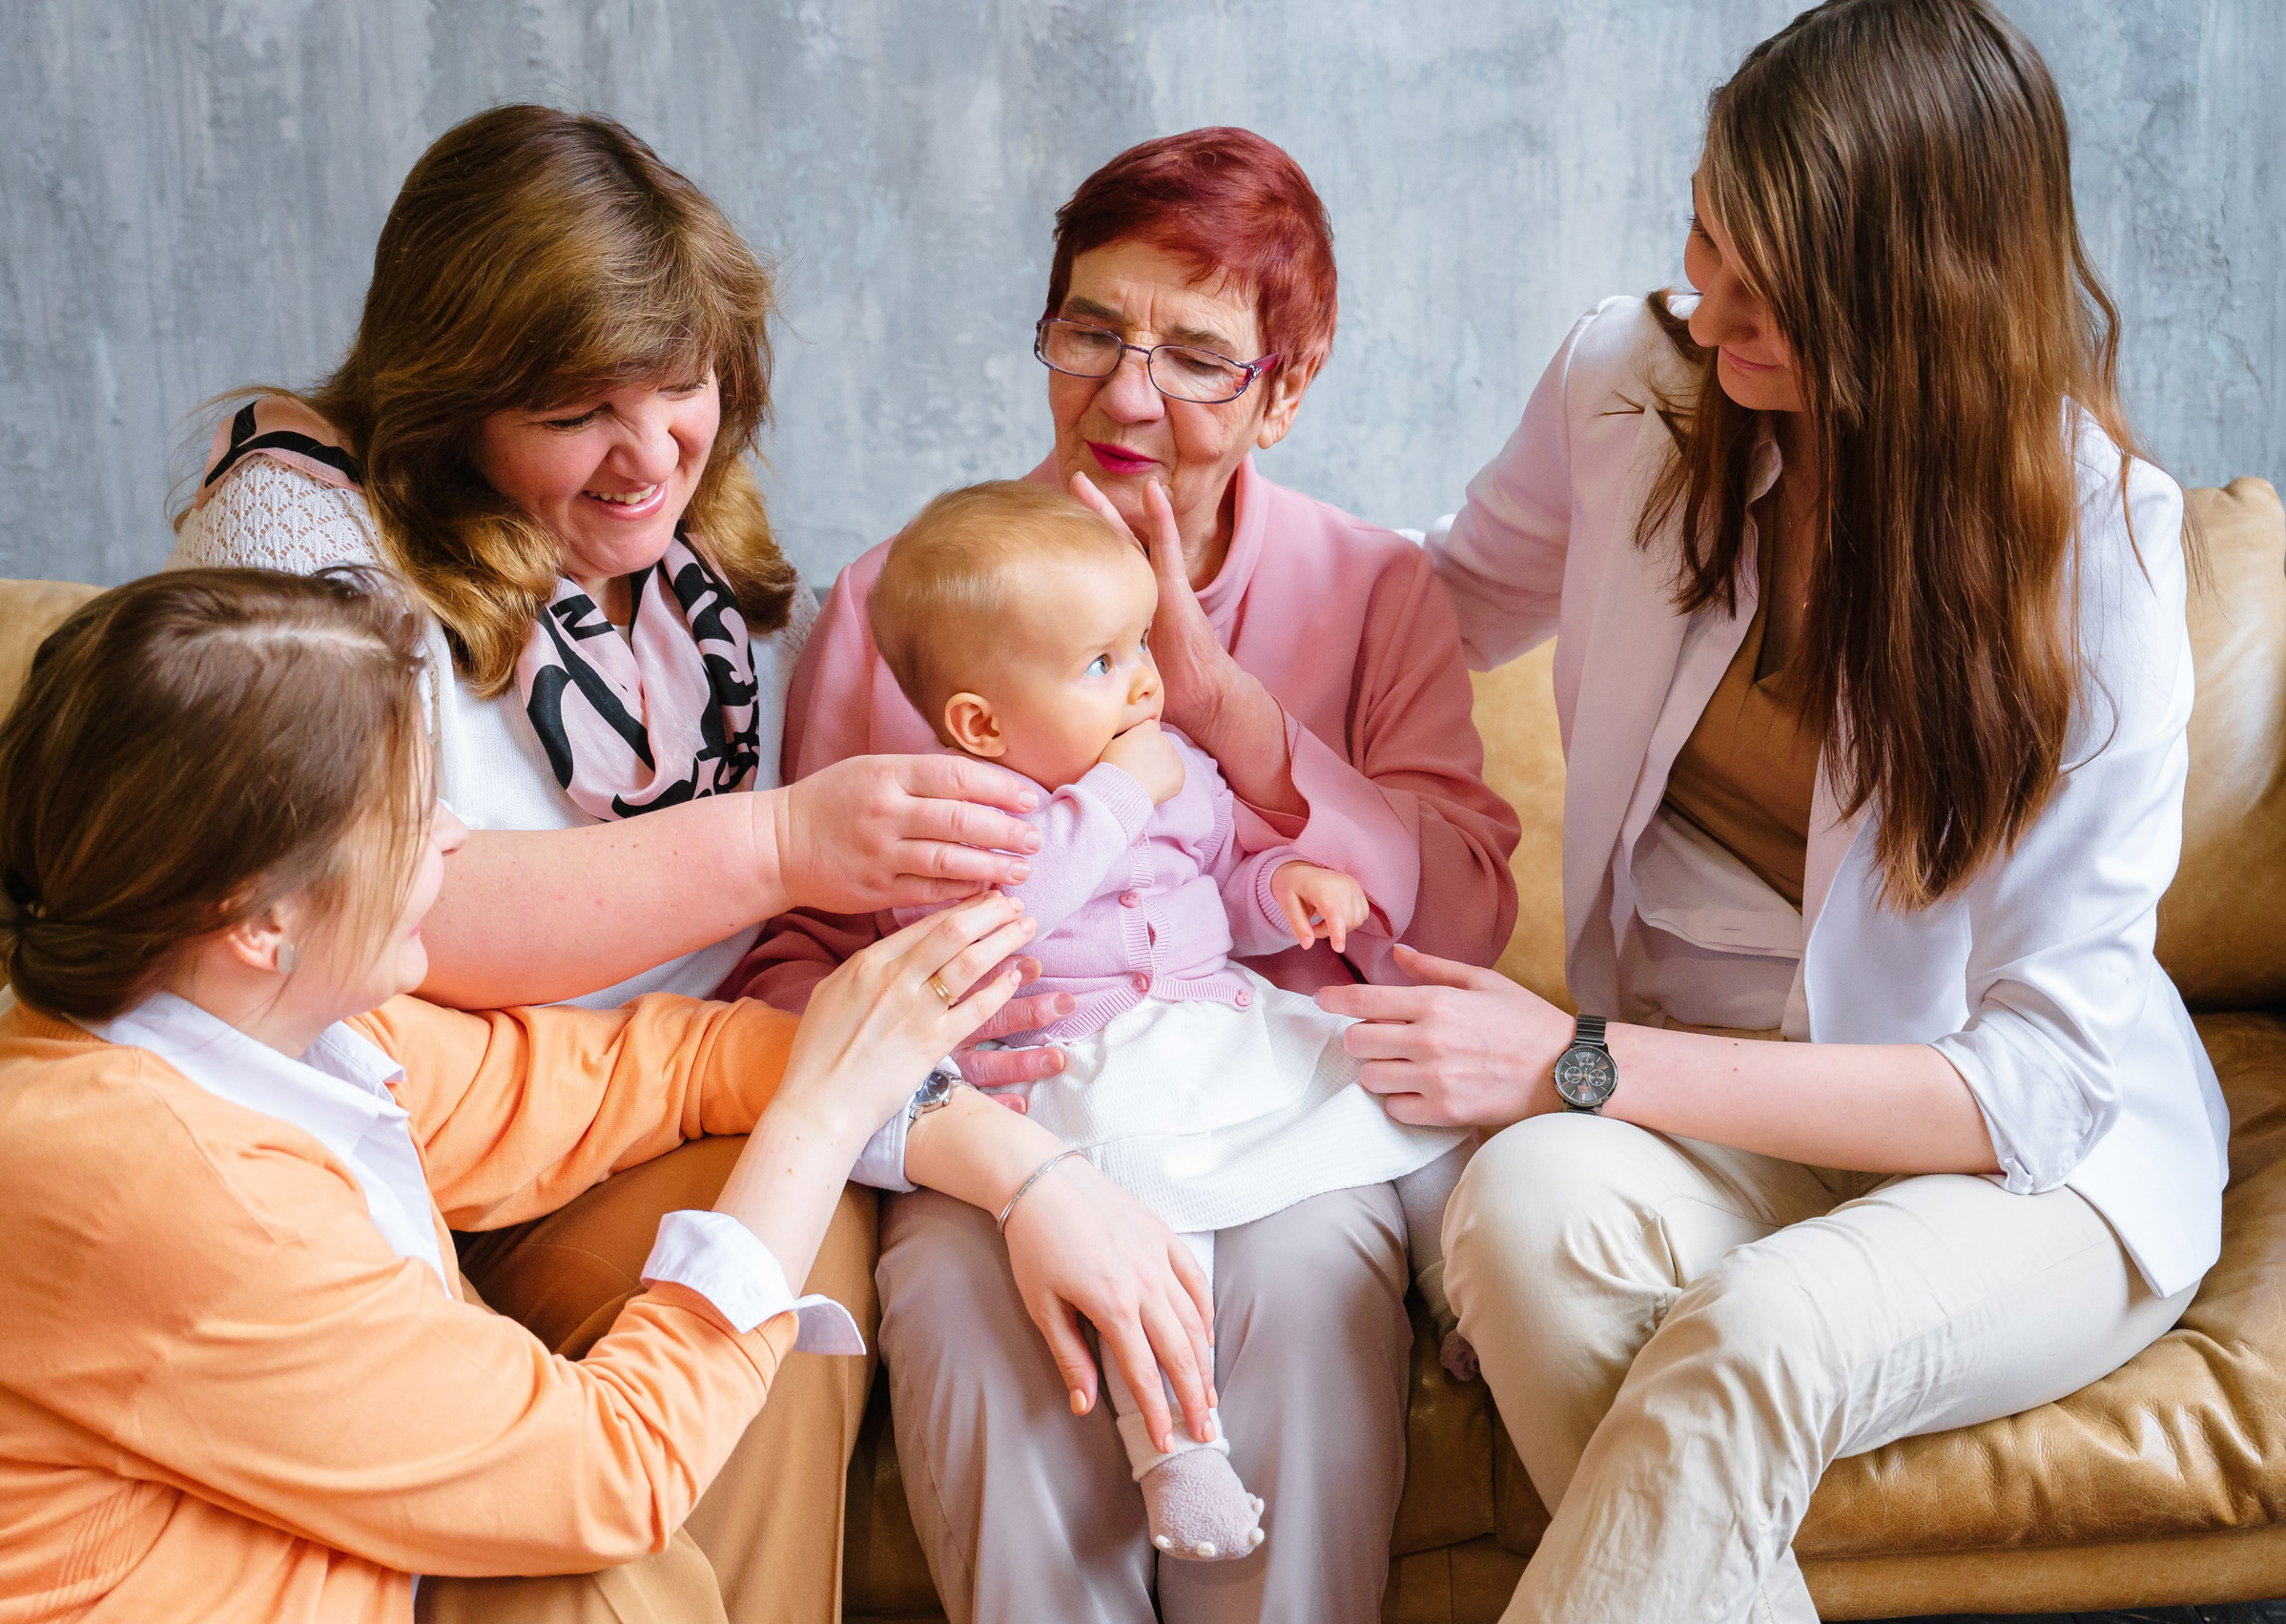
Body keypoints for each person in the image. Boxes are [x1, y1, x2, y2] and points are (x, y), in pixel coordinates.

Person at [1325, 3, 2231, 1618]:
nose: (1717, 310)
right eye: (1705, 235)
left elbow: (2041, 1082)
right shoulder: (1633, 388)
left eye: (1782, 287)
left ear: (1926, 301)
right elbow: (1423, 614)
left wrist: (1577, 1062)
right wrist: (1160, 615)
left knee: (1761, 1329)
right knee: (1517, 1208)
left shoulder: (2102, 551)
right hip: (1719, 1125)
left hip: (2028, 1172)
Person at [164, 105, 1065, 1620]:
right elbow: (384, 899)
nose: (653, 449)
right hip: (393, 1135)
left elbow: (735, 1004)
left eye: (687, 382)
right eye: (585, 404)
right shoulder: (300, 523)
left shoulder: (673, 561)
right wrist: (785, 838)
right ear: (449, 393)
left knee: (787, 1282)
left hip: (651, 1095)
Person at [0, 568, 1039, 1624]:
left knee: (601, 1557)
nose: (457, 835)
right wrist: (820, 1114)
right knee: (599, 1574)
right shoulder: (150, 1170)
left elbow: (643, 1067)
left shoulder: (263, 1017)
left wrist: (1024, 1170)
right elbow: (607, 1472)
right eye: (411, 811)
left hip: (312, 1567)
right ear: (259, 919)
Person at [736, 128, 1519, 1622]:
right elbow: (794, 962)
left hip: (1278, 1096)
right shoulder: (910, 602)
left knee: (1301, 1289)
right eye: (1090, 329)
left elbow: (1471, 905)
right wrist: (966, 1129)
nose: (1126, 392)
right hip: (1005, 1113)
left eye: (1198, 355)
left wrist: (1230, 710)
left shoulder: (1374, 590)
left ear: (1287, 389)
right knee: (970, 1311)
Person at [869, 482, 1473, 1563]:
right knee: (1151, 1240)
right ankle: (1178, 1453)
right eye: (1102, 663)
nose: (1145, 679)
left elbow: (1216, 877)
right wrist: (1113, 793)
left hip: (1208, 1023)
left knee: (1377, 1071)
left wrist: (1282, 884)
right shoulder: (955, 814)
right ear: (980, 722)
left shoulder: (1168, 760)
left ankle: (1457, 1272)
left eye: (1140, 641)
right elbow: (1006, 918)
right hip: (1082, 1069)